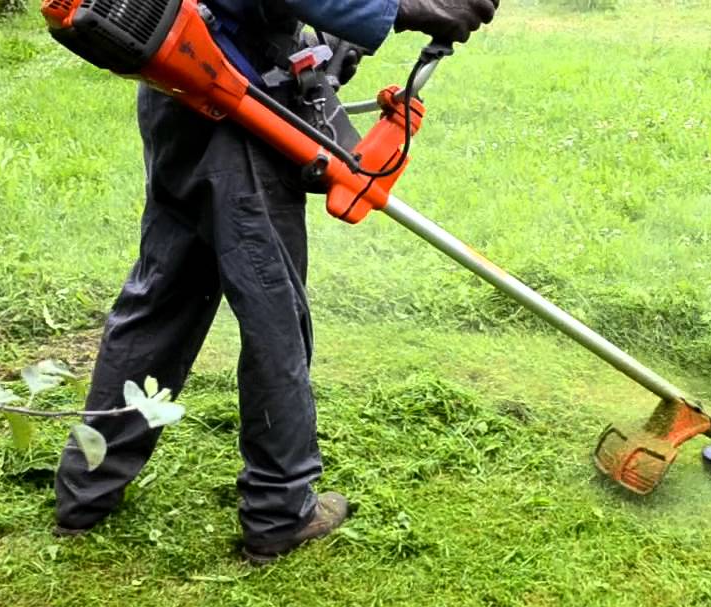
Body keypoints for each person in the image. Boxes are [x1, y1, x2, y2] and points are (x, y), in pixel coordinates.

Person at [52, 0, 498, 563]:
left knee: (163, 297)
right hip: (232, 107)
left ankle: (87, 488)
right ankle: (280, 510)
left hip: (182, 88)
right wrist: (408, 9)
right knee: (272, 317)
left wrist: (333, 43)